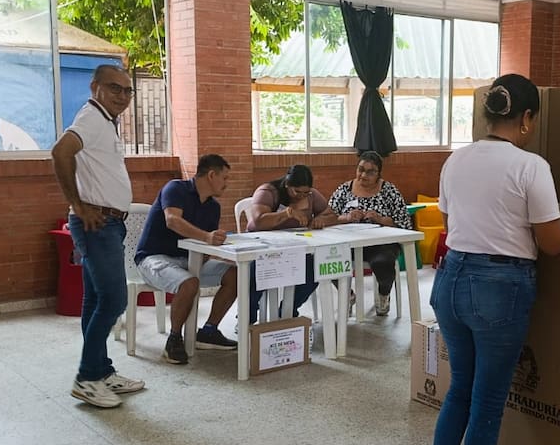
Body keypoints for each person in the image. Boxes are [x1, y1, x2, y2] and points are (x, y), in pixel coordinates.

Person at [417, 74, 560, 445]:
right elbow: (552, 242)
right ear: (525, 119)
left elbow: (448, 217)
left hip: (451, 279)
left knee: (460, 388)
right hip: (499, 286)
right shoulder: (531, 166)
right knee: (487, 397)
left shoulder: (455, 161)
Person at [51, 64, 146, 409]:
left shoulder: (103, 120)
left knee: (95, 300)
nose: (122, 96)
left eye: (127, 90)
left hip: (107, 223)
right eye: (114, 88)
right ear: (95, 87)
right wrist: (77, 204)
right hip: (96, 224)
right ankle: (87, 378)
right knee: (114, 300)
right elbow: (60, 151)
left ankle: (102, 371)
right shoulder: (92, 118)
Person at [135, 154, 239, 364]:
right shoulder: (176, 189)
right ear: (211, 175)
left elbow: (206, 245)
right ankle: (174, 338)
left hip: (189, 260)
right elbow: (172, 220)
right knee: (189, 283)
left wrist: (215, 244)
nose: (227, 184)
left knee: (235, 274)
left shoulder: (213, 207)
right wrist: (207, 237)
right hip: (154, 258)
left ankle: (209, 330)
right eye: (225, 178)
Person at [327, 150, 415, 315]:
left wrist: (380, 219)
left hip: (380, 244)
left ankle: (383, 295)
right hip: (349, 242)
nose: (363, 175)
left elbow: (403, 222)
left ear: (378, 174)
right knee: (328, 258)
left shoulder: (388, 190)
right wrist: (346, 217)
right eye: (360, 169)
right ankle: (348, 295)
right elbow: (328, 216)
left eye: (370, 172)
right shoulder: (345, 189)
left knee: (383, 262)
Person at [245, 164, 337, 319]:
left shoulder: (311, 195)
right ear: (287, 184)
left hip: (295, 249)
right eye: (297, 191)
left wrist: (321, 219)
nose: (301, 195)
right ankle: (248, 316)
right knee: (255, 272)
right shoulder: (267, 192)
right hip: (264, 249)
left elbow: (332, 215)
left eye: (305, 192)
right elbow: (259, 221)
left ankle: (288, 310)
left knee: (315, 270)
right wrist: (286, 214)